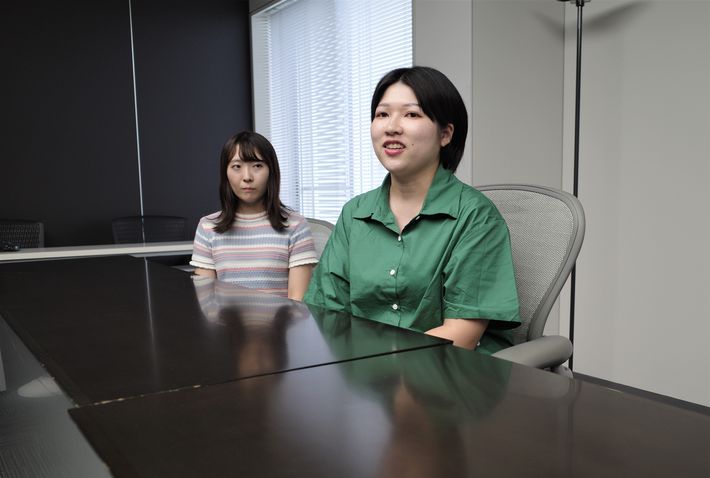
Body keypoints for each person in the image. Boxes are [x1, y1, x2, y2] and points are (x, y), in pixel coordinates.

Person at [304, 66, 520, 354]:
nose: (392, 127)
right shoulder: (354, 213)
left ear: (445, 134)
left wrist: (375, 365)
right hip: (360, 370)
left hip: (444, 370)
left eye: (411, 114)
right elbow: (326, 313)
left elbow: (461, 335)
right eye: (382, 114)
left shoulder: (475, 217)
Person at [190, 131, 318, 300]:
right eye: (237, 166)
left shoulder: (296, 225)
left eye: (257, 166)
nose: (247, 177)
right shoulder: (208, 227)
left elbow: (297, 302)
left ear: (271, 171)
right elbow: (207, 302)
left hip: (282, 318)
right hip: (225, 318)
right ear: (225, 173)